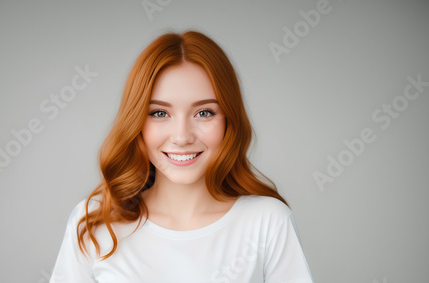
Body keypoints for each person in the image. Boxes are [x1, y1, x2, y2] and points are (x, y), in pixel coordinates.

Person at [50, 30, 314, 283]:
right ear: (137, 122)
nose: (182, 136)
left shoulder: (268, 222)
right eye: (159, 113)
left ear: (228, 121)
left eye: (204, 113)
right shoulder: (95, 222)